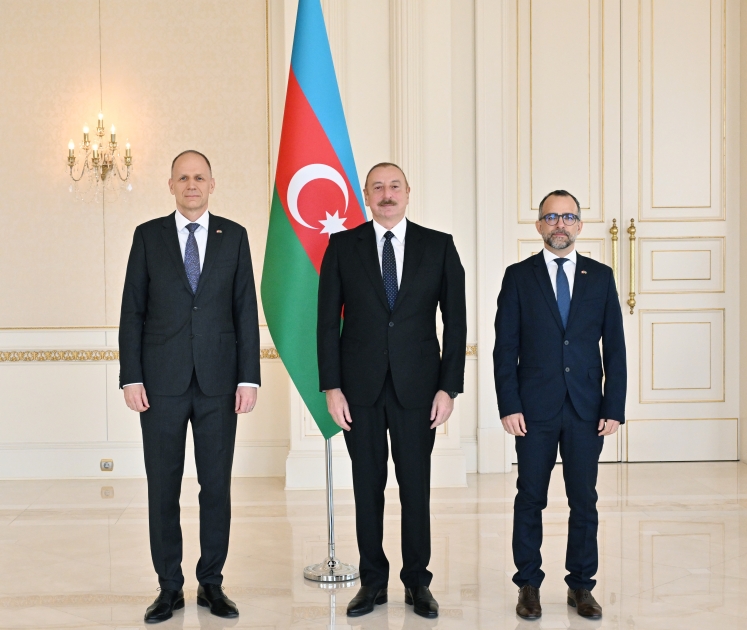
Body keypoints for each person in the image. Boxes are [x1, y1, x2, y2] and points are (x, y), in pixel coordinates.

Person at [317, 163, 467, 619]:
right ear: (366, 195)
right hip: (357, 390)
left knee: (415, 488)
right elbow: (325, 323)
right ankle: (372, 582)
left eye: (394, 186)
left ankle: (418, 582)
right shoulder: (342, 246)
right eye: (377, 187)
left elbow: (456, 323)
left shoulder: (439, 246)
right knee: (367, 488)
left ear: (408, 192)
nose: (387, 194)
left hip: (419, 390)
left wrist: (448, 388)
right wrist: (331, 387)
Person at [119, 150, 260, 623]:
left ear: (212, 184)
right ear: (171, 185)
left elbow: (245, 310)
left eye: (200, 177)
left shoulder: (234, 236)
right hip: (160, 384)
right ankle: (169, 587)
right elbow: (132, 311)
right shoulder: (148, 236)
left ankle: (212, 584)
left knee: (215, 486)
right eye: (183, 178)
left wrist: (248, 377)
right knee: (163, 486)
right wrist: (131, 376)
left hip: (220, 383)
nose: (192, 184)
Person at [493, 190, 626, 620]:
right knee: (530, 496)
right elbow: (504, 347)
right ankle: (528, 584)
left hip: (587, 408)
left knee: (583, 499)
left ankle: (581, 585)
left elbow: (615, 347)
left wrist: (614, 406)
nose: (560, 225)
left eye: (568, 217)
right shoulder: (518, 276)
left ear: (580, 225)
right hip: (533, 409)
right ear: (539, 226)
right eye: (551, 217)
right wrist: (509, 404)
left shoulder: (600, 277)